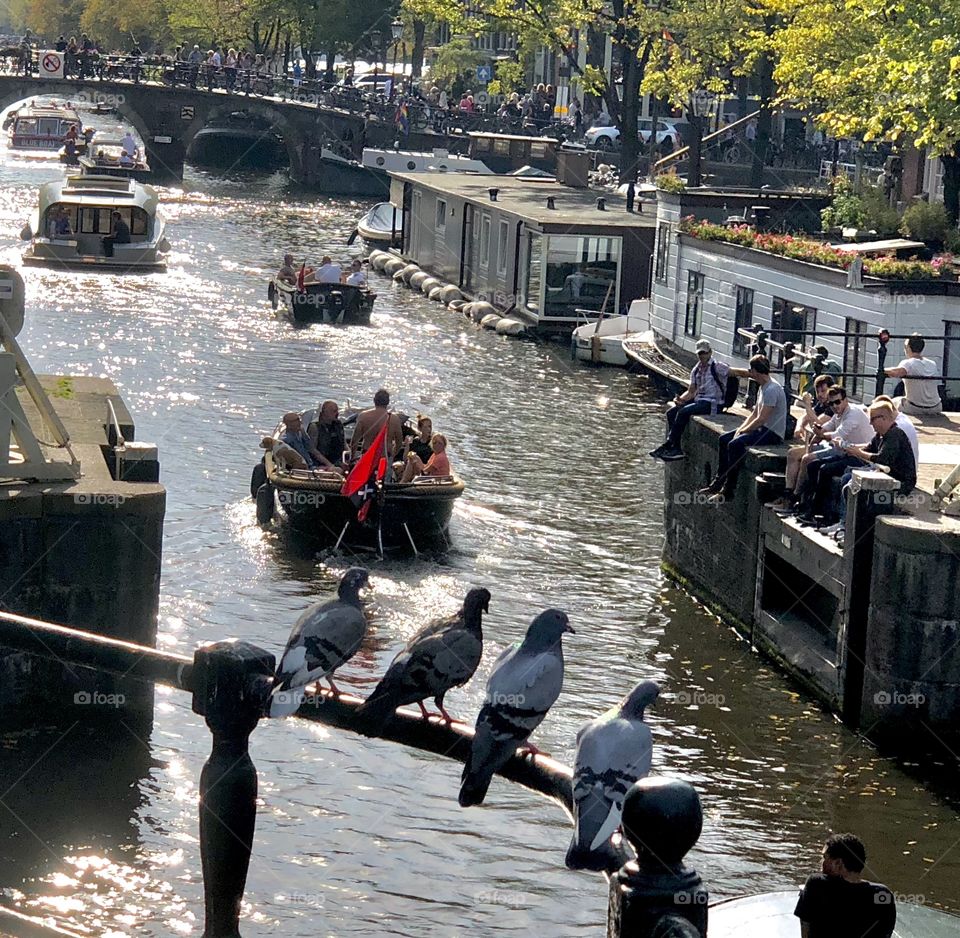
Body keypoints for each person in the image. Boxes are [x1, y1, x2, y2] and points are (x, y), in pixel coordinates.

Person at [700, 355, 787, 504]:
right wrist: (741, 428)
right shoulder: (763, 387)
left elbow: (761, 419)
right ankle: (718, 481)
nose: (750, 374)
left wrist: (744, 431)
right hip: (761, 429)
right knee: (724, 439)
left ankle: (728, 490)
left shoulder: (772, 389)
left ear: (755, 371)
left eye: (751, 370)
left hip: (771, 432)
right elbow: (754, 414)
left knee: (735, 444)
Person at [781, 386, 874, 520]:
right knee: (812, 466)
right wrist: (818, 431)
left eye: (837, 402)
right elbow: (826, 428)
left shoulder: (853, 414)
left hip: (860, 456)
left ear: (845, 400)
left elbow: (837, 435)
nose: (835, 406)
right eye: (831, 403)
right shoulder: (838, 415)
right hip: (845, 452)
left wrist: (821, 434)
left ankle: (817, 511)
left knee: (824, 470)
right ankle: (806, 504)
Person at [795, 833, 896, 938]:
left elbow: (805, 926)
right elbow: (886, 933)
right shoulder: (883, 894)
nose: (821, 863)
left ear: (838, 863)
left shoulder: (816, 883)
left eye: (825, 858)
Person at [650, 339, 729, 461]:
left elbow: (736, 373)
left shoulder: (718, 367)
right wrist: (681, 399)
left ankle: (669, 444)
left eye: (704, 353)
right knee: (671, 412)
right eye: (700, 354)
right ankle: (676, 447)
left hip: (713, 403)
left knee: (683, 412)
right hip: (700, 400)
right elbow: (692, 391)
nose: (702, 356)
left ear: (710, 353)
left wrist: (753, 373)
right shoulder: (696, 370)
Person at [885, 333, 942, 416]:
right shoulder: (932, 363)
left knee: (890, 403)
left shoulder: (908, 363)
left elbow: (895, 373)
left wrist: (881, 370)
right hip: (936, 407)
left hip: (914, 407)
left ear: (908, 348)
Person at [351, 389, 404, 462]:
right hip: (385, 456)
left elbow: (355, 440)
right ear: (388, 402)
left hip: (367, 454)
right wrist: (393, 454)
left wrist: (352, 457)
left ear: (374, 400)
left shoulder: (363, 416)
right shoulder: (394, 419)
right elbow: (399, 441)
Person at [307, 400, 346, 470]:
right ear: (325, 412)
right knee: (337, 470)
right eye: (334, 411)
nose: (337, 413)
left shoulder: (338, 424)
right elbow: (312, 450)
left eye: (337, 411)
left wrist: (347, 457)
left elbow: (344, 442)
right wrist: (329, 465)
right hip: (322, 463)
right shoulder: (315, 426)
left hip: (338, 460)